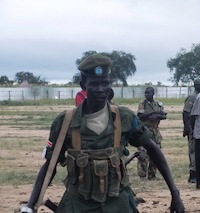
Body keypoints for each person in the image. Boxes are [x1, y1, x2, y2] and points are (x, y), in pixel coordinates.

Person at [21, 54, 184, 213]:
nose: (100, 89)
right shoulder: (65, 122)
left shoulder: (124, 118)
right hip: (78, 205)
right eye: (94, 84)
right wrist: (30, 206)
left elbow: (153, 149)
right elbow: (49, 167)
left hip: (118, 204)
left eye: (104, 83)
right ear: (83, 85)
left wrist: (175, 194)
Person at [136, 87, 167, 180]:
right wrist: (154, 113)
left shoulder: (158, 104)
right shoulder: (142, 104)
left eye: (149, 93)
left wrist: (156, 115)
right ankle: (142, 175)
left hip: (155, 131)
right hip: (145, 130)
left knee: (156, 153)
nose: (147, 95)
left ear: (153, 93)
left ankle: (152, 175)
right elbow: (141, 115)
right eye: (145, 93)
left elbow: (164, 115)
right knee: (143, 154)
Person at [182, 79, 200, 183]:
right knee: (193, 151)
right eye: (198, 85)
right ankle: (193, 174)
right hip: (193, 128)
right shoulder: (193, 97)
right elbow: (186, 113)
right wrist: (187, 127)